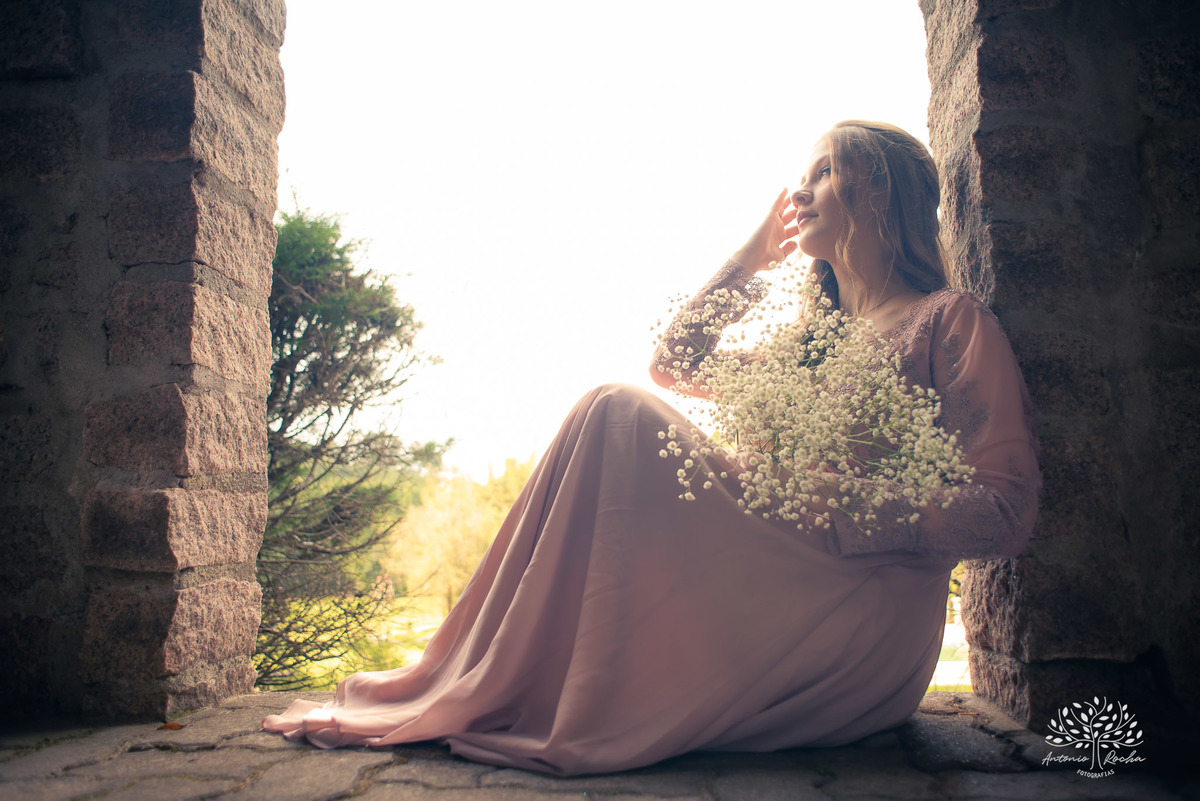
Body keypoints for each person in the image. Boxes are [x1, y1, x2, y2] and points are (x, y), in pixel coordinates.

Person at [262, 120, 1041, 776]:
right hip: (773, 576)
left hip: (865, 611)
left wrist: (836, 505)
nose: (800, 192)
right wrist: (749, 258)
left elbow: (1006, 510)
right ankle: (492, 671)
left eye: (825, 171)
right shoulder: (810, 347)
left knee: (620, 414)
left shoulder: (947, 321)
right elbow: (677, 362)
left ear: (878, 192)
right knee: (609, 406)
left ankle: (519, 680)